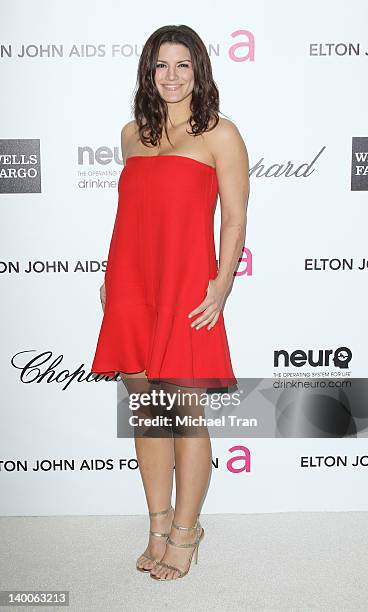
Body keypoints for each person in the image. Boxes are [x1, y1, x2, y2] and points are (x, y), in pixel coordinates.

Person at [91, 24, 249, 581]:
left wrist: (221, 284)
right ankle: (157, 524)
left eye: (183, 65)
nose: (172, 76)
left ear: (199, 70)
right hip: (132, 283)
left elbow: (233, 218)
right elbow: (131, 215)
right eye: (161, 65)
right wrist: (113, 278)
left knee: (184, 409)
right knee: (147, 412)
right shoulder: (132, 133)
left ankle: (187, 529)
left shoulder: (220, 135)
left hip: (187, 286)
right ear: (148, 72)